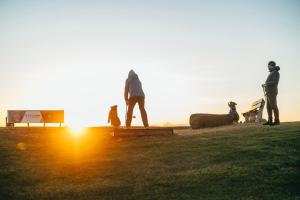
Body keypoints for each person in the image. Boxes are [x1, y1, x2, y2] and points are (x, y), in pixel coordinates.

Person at [263, 61, 280, 126]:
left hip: (272, 92)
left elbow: (274, 82)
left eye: (269, 66)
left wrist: (266, 84)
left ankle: (277, 121)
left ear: (272, 66)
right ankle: (270, 121)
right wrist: (265, 85)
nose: (268, 67)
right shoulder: (272, 72)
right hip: (268, 92)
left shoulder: (276, 73)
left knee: (274, 106)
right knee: (268, 107)